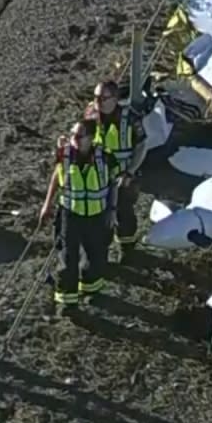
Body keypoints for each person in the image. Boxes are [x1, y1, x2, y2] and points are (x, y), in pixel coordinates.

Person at [38, 119, 120, 316]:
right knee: (67, 257)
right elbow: (56, 178)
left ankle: (91, 290)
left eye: (79, 136)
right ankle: (68, 302)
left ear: (91, 138)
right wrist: (47, 205)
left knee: (95, 255)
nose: (73, 139)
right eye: (72, 134)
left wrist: (113, 210)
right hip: (70, 214)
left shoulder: (106, 158)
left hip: (96, 215)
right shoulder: (64, 155)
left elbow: (114, 184)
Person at [84, 80, 144, 262]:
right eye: (95, 97)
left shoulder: (130, 118)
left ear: (115, 99)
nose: (98, 102)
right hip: (99, 176)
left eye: (103, 98)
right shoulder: (90, 115)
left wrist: (130, 172)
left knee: (124, 213)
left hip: (123, 177)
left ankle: (128, 248)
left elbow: (142, 145)